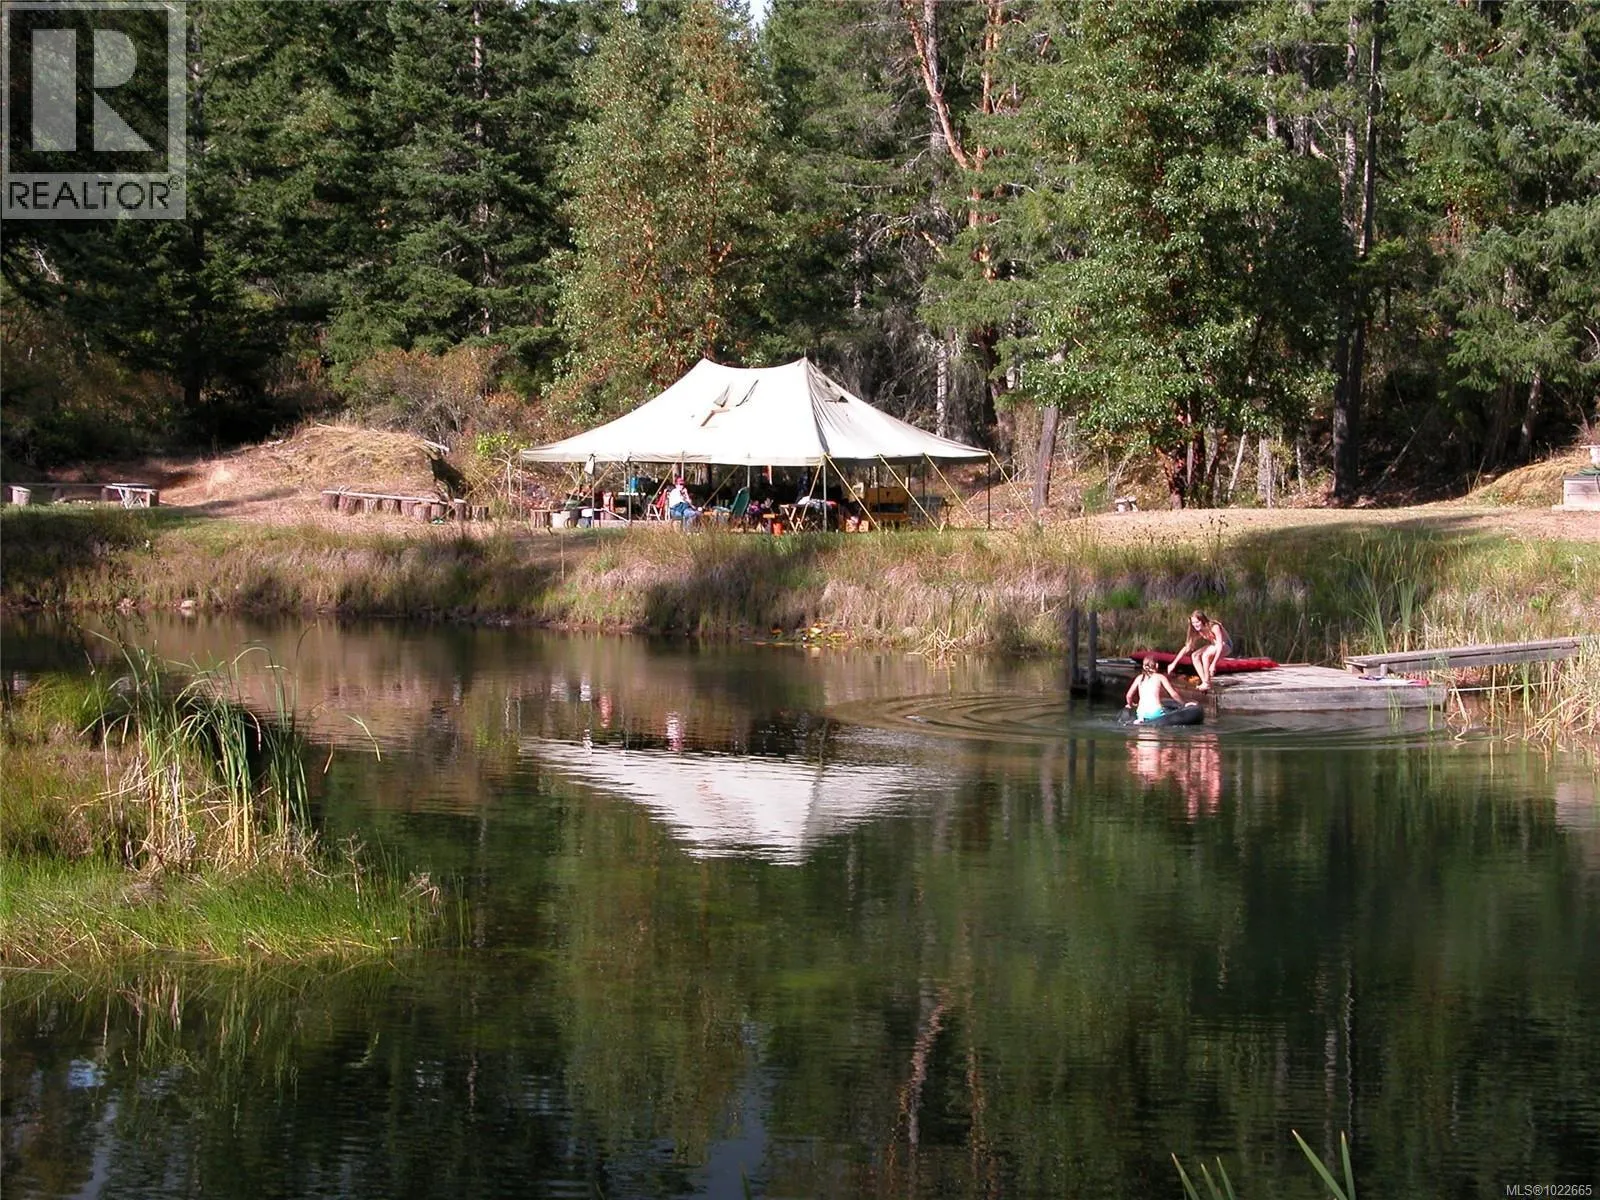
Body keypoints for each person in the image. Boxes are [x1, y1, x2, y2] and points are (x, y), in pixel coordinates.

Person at [1168, 609, 1232, 691]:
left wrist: (1213, 664)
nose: (1195, 625)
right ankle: (1204, 681)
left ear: (1202, 620)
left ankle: (1207, 683)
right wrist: (1174, 663)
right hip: (1214, 645)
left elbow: (1219, 645)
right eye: (1193, 623)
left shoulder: (1214, 627)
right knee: (1194, 655)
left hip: (1225, 645)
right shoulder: (1197, 631)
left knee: (1205, 655)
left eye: (1197, 622)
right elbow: (1187, 647)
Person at [1126, 656, 1183, 722]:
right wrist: (1183, 704)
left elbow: (1128, 696)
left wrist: (1130, 705)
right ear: (1157, 665)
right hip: (1155, 713)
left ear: (1144, 666)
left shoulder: (1139, 678)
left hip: (1141, 713)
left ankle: (1141, 720)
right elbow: (1173, 694)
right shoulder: (1160, 677)